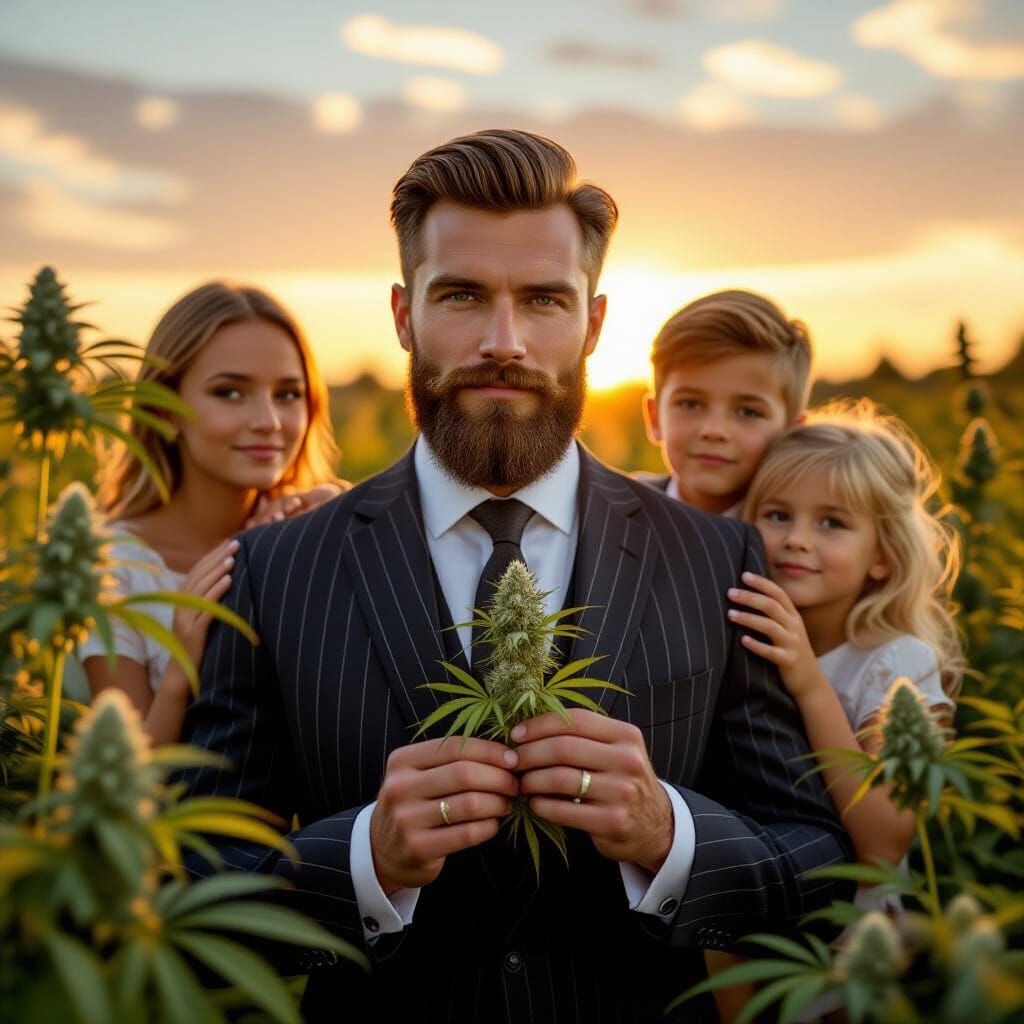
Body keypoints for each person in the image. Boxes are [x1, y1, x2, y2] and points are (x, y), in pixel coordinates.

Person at [179, 129, 853, 1024]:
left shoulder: (716, 560)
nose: (504, 341)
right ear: (403, 314)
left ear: (595, 324)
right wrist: (363, 862)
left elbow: (822, 861)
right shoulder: (276, 568)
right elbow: (196, 884)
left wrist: (669, 833)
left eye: (543, 299)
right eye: (461, 295)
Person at [709, 401, 962, 1022]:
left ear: (882, 554)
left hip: (850, 947)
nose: (797, 537)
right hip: (748, 917)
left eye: (832, 523)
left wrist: (808, 682)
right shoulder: (738, 635)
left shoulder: (896, 664)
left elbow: (882, 841)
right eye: (777, 515)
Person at [80, 281, 343, 744]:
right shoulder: (111, 570)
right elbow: (128, 776)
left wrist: (343, 518)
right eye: (230, 393)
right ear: (165, 410)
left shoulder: (316, 525)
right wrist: (182, 663)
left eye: (287, 394)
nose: (268, 420)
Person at [641, 289, 811, 516]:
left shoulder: (797, 545)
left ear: (791, 434)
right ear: (655, 418)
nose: (714, 431)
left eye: (748, 412)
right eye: (690, 404)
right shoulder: (604, 513)